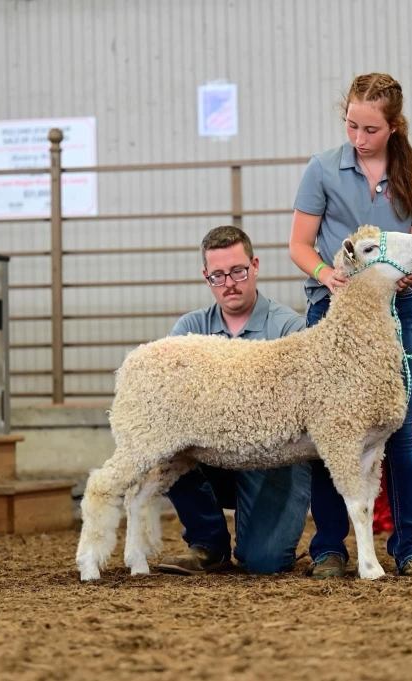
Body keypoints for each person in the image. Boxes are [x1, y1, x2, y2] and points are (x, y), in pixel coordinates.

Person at [288, 72, 412, 579]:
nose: (358, 137)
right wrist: (328, 275)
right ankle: (330, 545)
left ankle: (411, 546)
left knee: (399, 431)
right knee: (331, 430)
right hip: (331, 311)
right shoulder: (323, 169)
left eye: (370, 129)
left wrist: (400, 280)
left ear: (394, 127)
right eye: (351, 124)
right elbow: (299, 246)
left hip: (395, 315)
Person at [156, 225, 313, 576]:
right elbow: (173, 397)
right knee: (165, 443)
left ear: (255, 265)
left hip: (274, 457)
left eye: (238, 271)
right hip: (211, 451)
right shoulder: (189, 330)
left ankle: (260, 536)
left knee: (264, 562)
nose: (230, 283)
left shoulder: (289, 329)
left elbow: (299, 406)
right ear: (206, 276)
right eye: (218, 275)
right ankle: (209, 544)